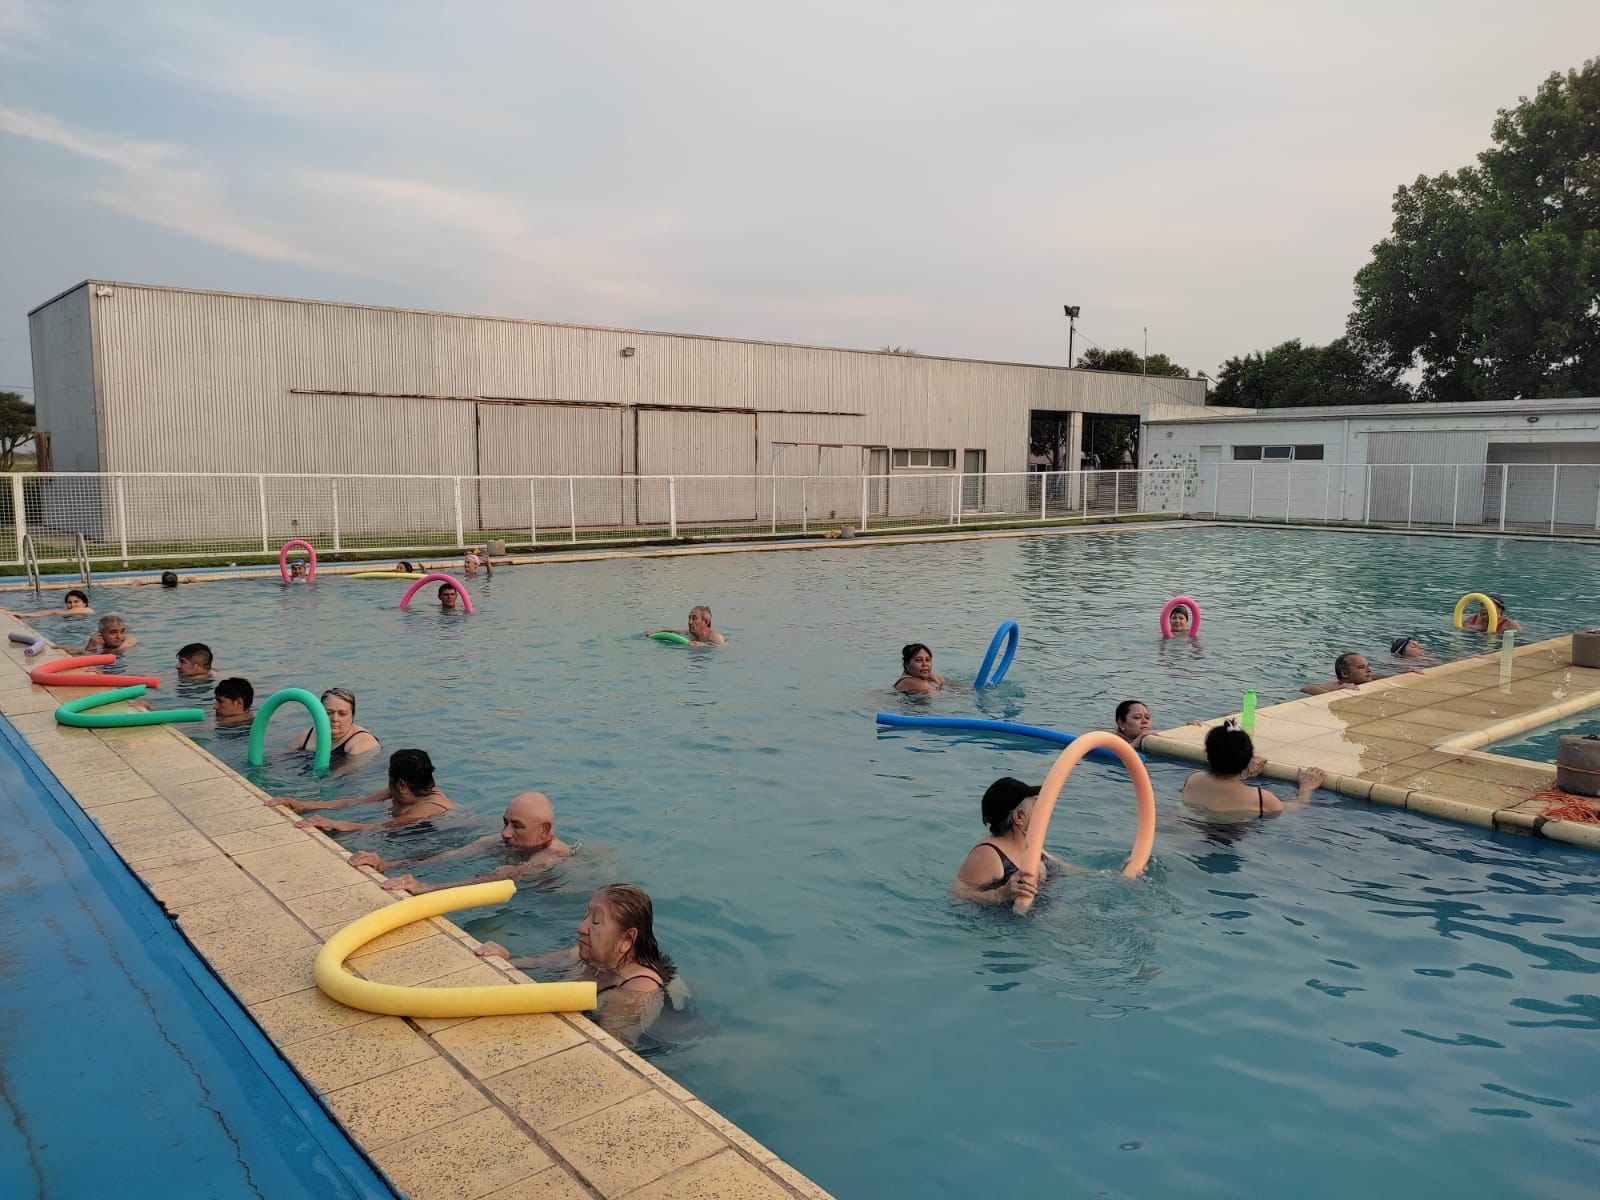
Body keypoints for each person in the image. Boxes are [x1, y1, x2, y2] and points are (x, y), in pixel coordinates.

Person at [476, 884, 676, 1039]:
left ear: (626, 939)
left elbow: (608, 1053)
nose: (581, 927)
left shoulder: (636, 992)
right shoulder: (583, 955)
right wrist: (502, 957)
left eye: (596, 922)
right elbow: (527, 964)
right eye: (586, 916)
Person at [350, 792, 573, 894]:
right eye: (505, 823)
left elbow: (498, 878)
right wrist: (388, 864)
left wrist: (428, 888)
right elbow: (451, 854)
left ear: (545, 830)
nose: (505, 833)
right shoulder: (503, 840)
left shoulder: (551, 856)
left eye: (517, 826)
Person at [951, 777, 1109, 906]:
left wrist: (1113, 876)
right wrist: (999, 894)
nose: (1042, 810)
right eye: (1035, 804)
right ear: (1019, 817)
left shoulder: (1032, 845)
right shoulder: (988, 854)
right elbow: (957, 894)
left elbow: (1067, 868)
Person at [277, 748, 454, 831]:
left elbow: (380, 827)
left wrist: (337, 824)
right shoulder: (404, 791)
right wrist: (304, 805)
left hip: (443, 833)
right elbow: (356, 801)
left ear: (401, 784)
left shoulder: (427, 809)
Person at [1179, 722, 1325, 820]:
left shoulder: (1193, 780)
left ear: (1208, 756)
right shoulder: (1261, 798)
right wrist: (1306, 788)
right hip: (1235, 836)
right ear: (1247, 759)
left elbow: (1221, 787)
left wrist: (1244, 774)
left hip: (1193, 827)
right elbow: (1295, 807)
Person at [288, 687, 380, 759]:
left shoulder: (363, 742)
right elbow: (281, 759)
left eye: (342, 714)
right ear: (319, 713)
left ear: (353, 715)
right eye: (329, 713)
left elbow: (347, 773)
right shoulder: (305, 737)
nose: (335, 718)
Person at [1300, 652, 1419, 696]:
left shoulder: (1368, 678)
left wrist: (1401, 674)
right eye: (1362, 668)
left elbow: (1379, 676)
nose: (1369, 670)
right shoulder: (1336, 685)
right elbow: (1307, 688)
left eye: (1368, 666)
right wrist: (1338, 691)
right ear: (1345, 674)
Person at [649, 605, 725, 647]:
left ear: (705, 621)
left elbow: (723, 648)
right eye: (689, 618)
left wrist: (704, 645)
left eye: (694, 618)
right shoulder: (689, 633)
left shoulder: (715, 637)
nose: (690, 622)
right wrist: (655, 632)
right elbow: (672, 631)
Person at [8, 588, 93, 617]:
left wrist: (24, 615)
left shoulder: (86, 610)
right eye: (69, 602)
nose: (72, 605)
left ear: (84, 603)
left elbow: (53, 612)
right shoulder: (69, 613)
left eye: (76, 601)